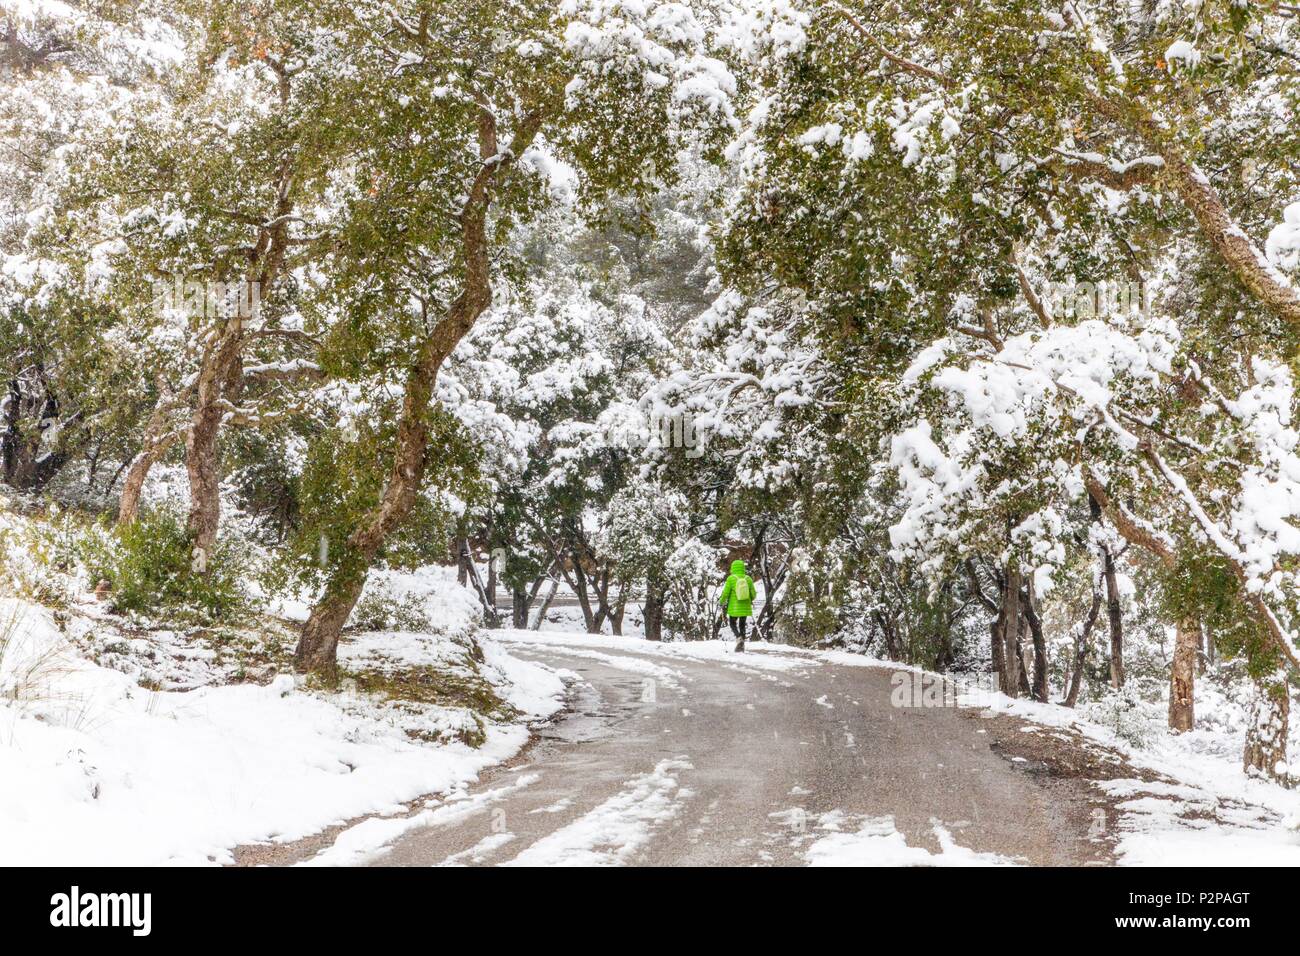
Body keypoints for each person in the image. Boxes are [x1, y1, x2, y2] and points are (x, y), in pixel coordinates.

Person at [719, 558, 757, 652]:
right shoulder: (748, 579)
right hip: (745, 606)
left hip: (734, 607)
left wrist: (721, 601)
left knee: (732, 623)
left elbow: (725, 593)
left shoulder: (731, 579)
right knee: (742, 625)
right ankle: (742, 645)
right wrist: (749, 600)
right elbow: (754, 594)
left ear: (733, 568)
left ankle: (739, 638)